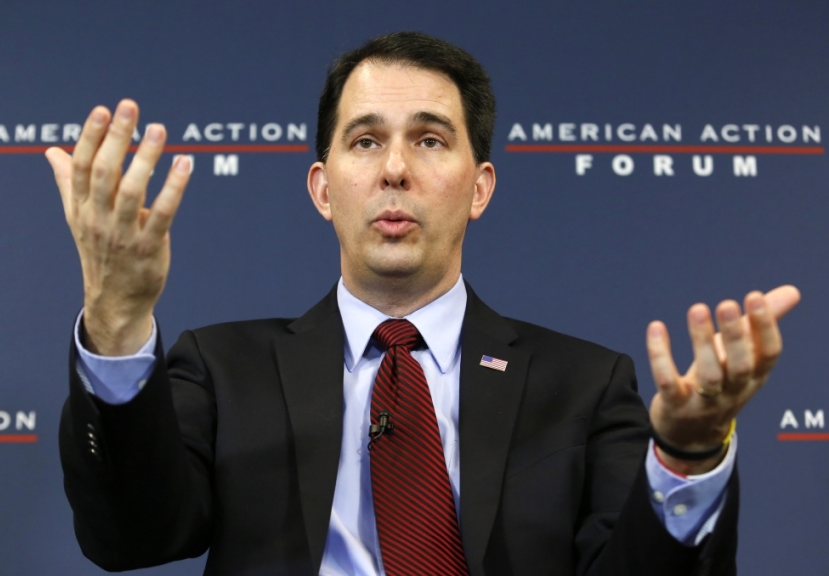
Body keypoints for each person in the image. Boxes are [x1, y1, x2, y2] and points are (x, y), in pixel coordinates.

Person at [46, 32, 799, 575]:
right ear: (322, 187)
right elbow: (130, 537)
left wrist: (688, 454)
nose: (396, 169)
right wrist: (115, 322)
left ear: (479, 188)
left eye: (432, 140)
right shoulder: (223, 366)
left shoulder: (586, 384)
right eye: (366, 141)